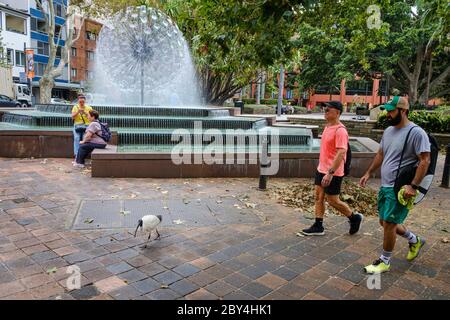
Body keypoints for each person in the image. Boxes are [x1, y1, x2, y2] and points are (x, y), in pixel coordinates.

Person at [359, 96, 430, 274]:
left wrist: (413, 186)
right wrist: (369, 172)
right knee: (384, 222)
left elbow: (424, 160)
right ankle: (415, 240)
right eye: (388, 110)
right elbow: (381, 154)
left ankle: (384, 261)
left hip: (400, 188)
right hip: (385, 185)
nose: (388, 114)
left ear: (403, 111)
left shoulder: (416, 132)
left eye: (392, 110)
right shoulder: (389, 130)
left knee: (390, 223)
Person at [302, 101, 363, 236]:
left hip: (333, 172)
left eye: (328, 109)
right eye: (325, 109)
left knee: (333, 200)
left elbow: (341, 152)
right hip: (322, 168)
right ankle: (318, 225)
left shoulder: (340, 131)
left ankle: (354, 218)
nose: (325, 111)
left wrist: (330, 173)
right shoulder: (328, 126)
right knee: (318, 197)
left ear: (337, 113)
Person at [71, 93, 93, 163]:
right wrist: (78, 112)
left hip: (86, 125)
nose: (81, 103)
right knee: (77, 138)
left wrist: (86, 113)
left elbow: (92, 118)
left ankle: (82, 156)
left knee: (85, 140)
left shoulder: (89, 108)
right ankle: (77, 156)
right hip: (77, 125)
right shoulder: (75, 107)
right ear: (78, 101)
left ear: (85, 101)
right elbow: (72, 117)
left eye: (83, 102)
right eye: (80, 102)